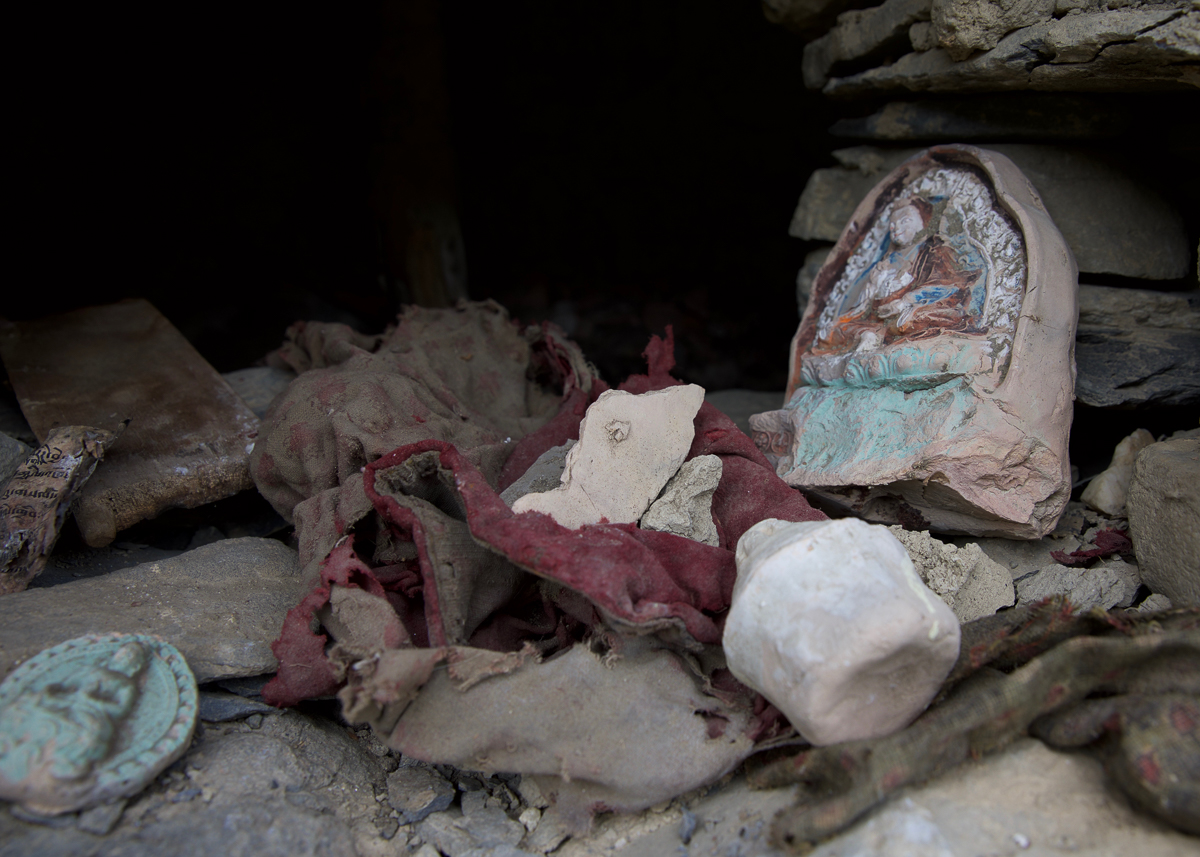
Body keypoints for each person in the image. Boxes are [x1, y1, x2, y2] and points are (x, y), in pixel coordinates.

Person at [818, 196, 986, 354]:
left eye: (905, 221)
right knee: (829, 331)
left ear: (923, 223)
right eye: (892, 225)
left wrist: (905, 302)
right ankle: (871, 337)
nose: (896, 229)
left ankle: (883, 341)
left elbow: (948, 285)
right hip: (875, 322)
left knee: (911, 320)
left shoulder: (934, 252)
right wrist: (872, 285)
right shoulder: (886, 262)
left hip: (907, 316)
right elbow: (863, 308)